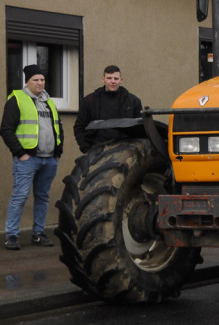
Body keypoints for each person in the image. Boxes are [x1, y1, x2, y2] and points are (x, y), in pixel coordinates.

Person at [2, 64, 63, 250]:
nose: (40, 83)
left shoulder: (49, 101)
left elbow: (58, 127)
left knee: (43, 197)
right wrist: (20, 154)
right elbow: (5, 129)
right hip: (28, 160)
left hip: (49, 160)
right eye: (35, 80)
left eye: (42, 79)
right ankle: (11, 236)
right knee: (20, 197)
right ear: (27, 81)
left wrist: (58, 152)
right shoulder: (17, 99)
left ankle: (38, 234)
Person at [74, 65, 143, 153]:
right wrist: (86, 148)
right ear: (103, 79)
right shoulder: (89, 101)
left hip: (125, 151)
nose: (112, 81)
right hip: (96, 151)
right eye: (109, 78)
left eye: (116, 78)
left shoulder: (133, 101)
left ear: (121, 80)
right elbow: (79, 127)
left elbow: (140, 129)